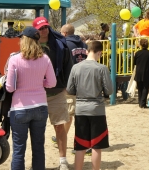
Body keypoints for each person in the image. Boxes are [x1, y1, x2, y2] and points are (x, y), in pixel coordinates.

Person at [5, 27, 57, 170]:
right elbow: (52, 83)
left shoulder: (14, 59)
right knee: (39, 147)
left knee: (19, 150)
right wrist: (41, 83)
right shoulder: (45, 58)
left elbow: (9, 87)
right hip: (40, 105)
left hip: (20, 107)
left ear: (24, 40)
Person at [33, 16, 73, 170]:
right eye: (40, 28)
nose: (44, 30)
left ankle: (63, 160)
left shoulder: (60, 44)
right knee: (37, 130)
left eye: (45, 27)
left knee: (60, 126)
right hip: (36, 93)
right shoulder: (31, 44)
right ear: (36, 30)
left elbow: (68, 64)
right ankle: (39, 162)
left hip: (56, 92)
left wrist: (65, 84)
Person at [66, 40, 113, 170]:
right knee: (97, 146)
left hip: (80, 108)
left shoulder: (76, 67)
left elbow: (69, 89)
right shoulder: (102, 68)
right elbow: (109, 90)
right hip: (97, 109)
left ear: (87, 51)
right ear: (100, 53)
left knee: (80, 145)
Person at [60, 23, 89, 154]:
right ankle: (83, 141)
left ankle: (64, 137)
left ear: (65, 33)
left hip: (70, 84)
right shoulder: (84, 45)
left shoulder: (65, 44)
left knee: (68, 113)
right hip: (85, 84)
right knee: (81, 114)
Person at [133, 38, 149, 108]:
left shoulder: (137, 53)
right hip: (146, 72)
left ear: (140, 45)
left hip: (138, 72)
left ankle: (140, 102)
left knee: (139, 88)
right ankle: (143, 103)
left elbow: (134, 63)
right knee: (145, 88)